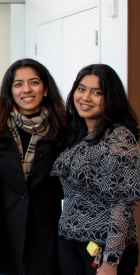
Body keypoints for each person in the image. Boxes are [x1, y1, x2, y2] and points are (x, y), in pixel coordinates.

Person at [51, 64, 140, 275]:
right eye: (81, 89)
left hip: (102, 246)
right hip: (69, 239)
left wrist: (111, 259)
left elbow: (123, 203)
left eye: (97, 92)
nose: (86, 97)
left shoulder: (119, 137)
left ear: (111, 97)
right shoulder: (76, 133)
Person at [0, 59, 66, 275]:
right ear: (10, 92)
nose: (26, 89)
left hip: (46, 231)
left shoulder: (64, 129)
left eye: (34, 82)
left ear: (46, 89)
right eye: (18, 84)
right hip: (5, 231)